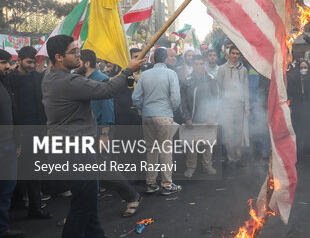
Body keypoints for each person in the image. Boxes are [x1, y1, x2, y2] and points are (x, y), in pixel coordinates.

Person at [42, 35, 144, 238]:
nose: (78, 55)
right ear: (59, 57)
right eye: (74, 52)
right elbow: (107, 90)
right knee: (83, 205)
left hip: (64, 148)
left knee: (86, 201)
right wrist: (129, 70)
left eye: (78, 50)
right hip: (75, 151)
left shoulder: (49, 76)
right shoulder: (69, 81)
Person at [132, 47, 183, 196]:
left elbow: (136, 98)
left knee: (151, 150)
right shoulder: (171, 74)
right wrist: (170, 109)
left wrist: (144, 108)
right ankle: (167, 185)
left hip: (147, 116)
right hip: (164, 115)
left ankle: (151, 183)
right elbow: (176, 98)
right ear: (166, 59)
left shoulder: (144, 75)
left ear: (153, 59)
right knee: (165, 150)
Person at [7, 46, 50, 219]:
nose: (32, 65)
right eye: (29, 62)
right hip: (14, 132)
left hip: (36, 130)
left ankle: (35, 208)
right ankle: (16, 202)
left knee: (34, 170)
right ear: (19, 61)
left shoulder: (38, 78)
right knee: (14, 170)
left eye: (34, 62)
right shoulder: (9, 80)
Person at [180, 55, 219, 177]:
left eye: (201, 64)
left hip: (208, 117)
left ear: (204, 65)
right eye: (196, 64)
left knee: (208, 142)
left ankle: (207, 165)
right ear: (192, 65)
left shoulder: (210, 79)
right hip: (192, 117)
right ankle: (191, 167)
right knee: (192, 143)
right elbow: (182, 101)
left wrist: (212, 115)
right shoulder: (186, 80)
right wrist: (187, 118)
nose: (199, 66)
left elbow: (216, 98)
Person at [0, 49, 24, 238]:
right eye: (3, 62)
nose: (8, 66)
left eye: (8, 62)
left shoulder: (5, 83)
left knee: (6, 189)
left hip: (8, 146)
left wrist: (17, 142)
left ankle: (3, 228)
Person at [216, 45, 249, 165]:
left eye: (237, 54)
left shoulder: (243, 70)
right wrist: (219, 107)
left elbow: (246, 89)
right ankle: (230, 157)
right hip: (226, 105)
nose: (235, 56)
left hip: (239, 105)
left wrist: (247, 107)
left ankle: (238, 156)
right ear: (229, 54)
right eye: (233, 53)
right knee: (229, 132)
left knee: (239, 132)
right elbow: (218, 88)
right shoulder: (222, 69)